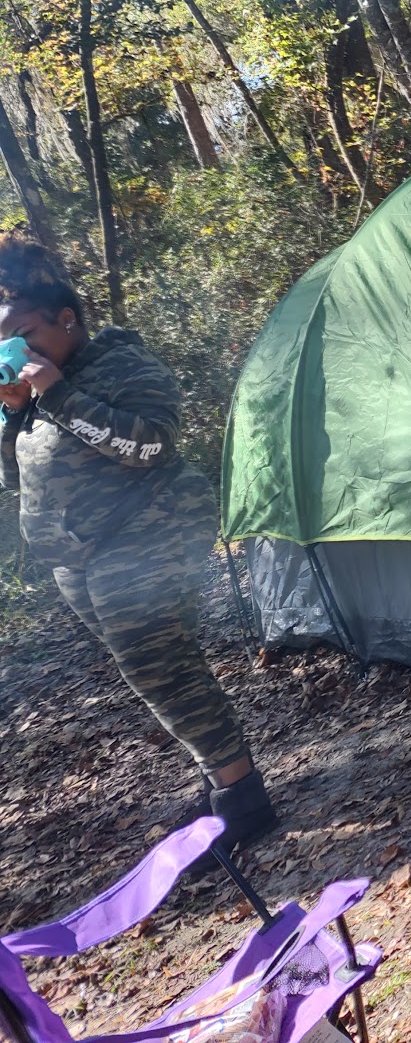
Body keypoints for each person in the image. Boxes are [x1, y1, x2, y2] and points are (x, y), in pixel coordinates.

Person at [0, 235, 276, 848]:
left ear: (65, 319)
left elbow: (150, 444)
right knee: (161, 668)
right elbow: (17, 479)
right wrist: (14, 414)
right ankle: (222, 780)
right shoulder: (37, 391)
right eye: (4, 340)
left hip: (151, 524)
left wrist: (56, 392)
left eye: (24, 333)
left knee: (158, 667)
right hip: (77, 556)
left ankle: (242, 801)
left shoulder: (122, 364)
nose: (15, 349)